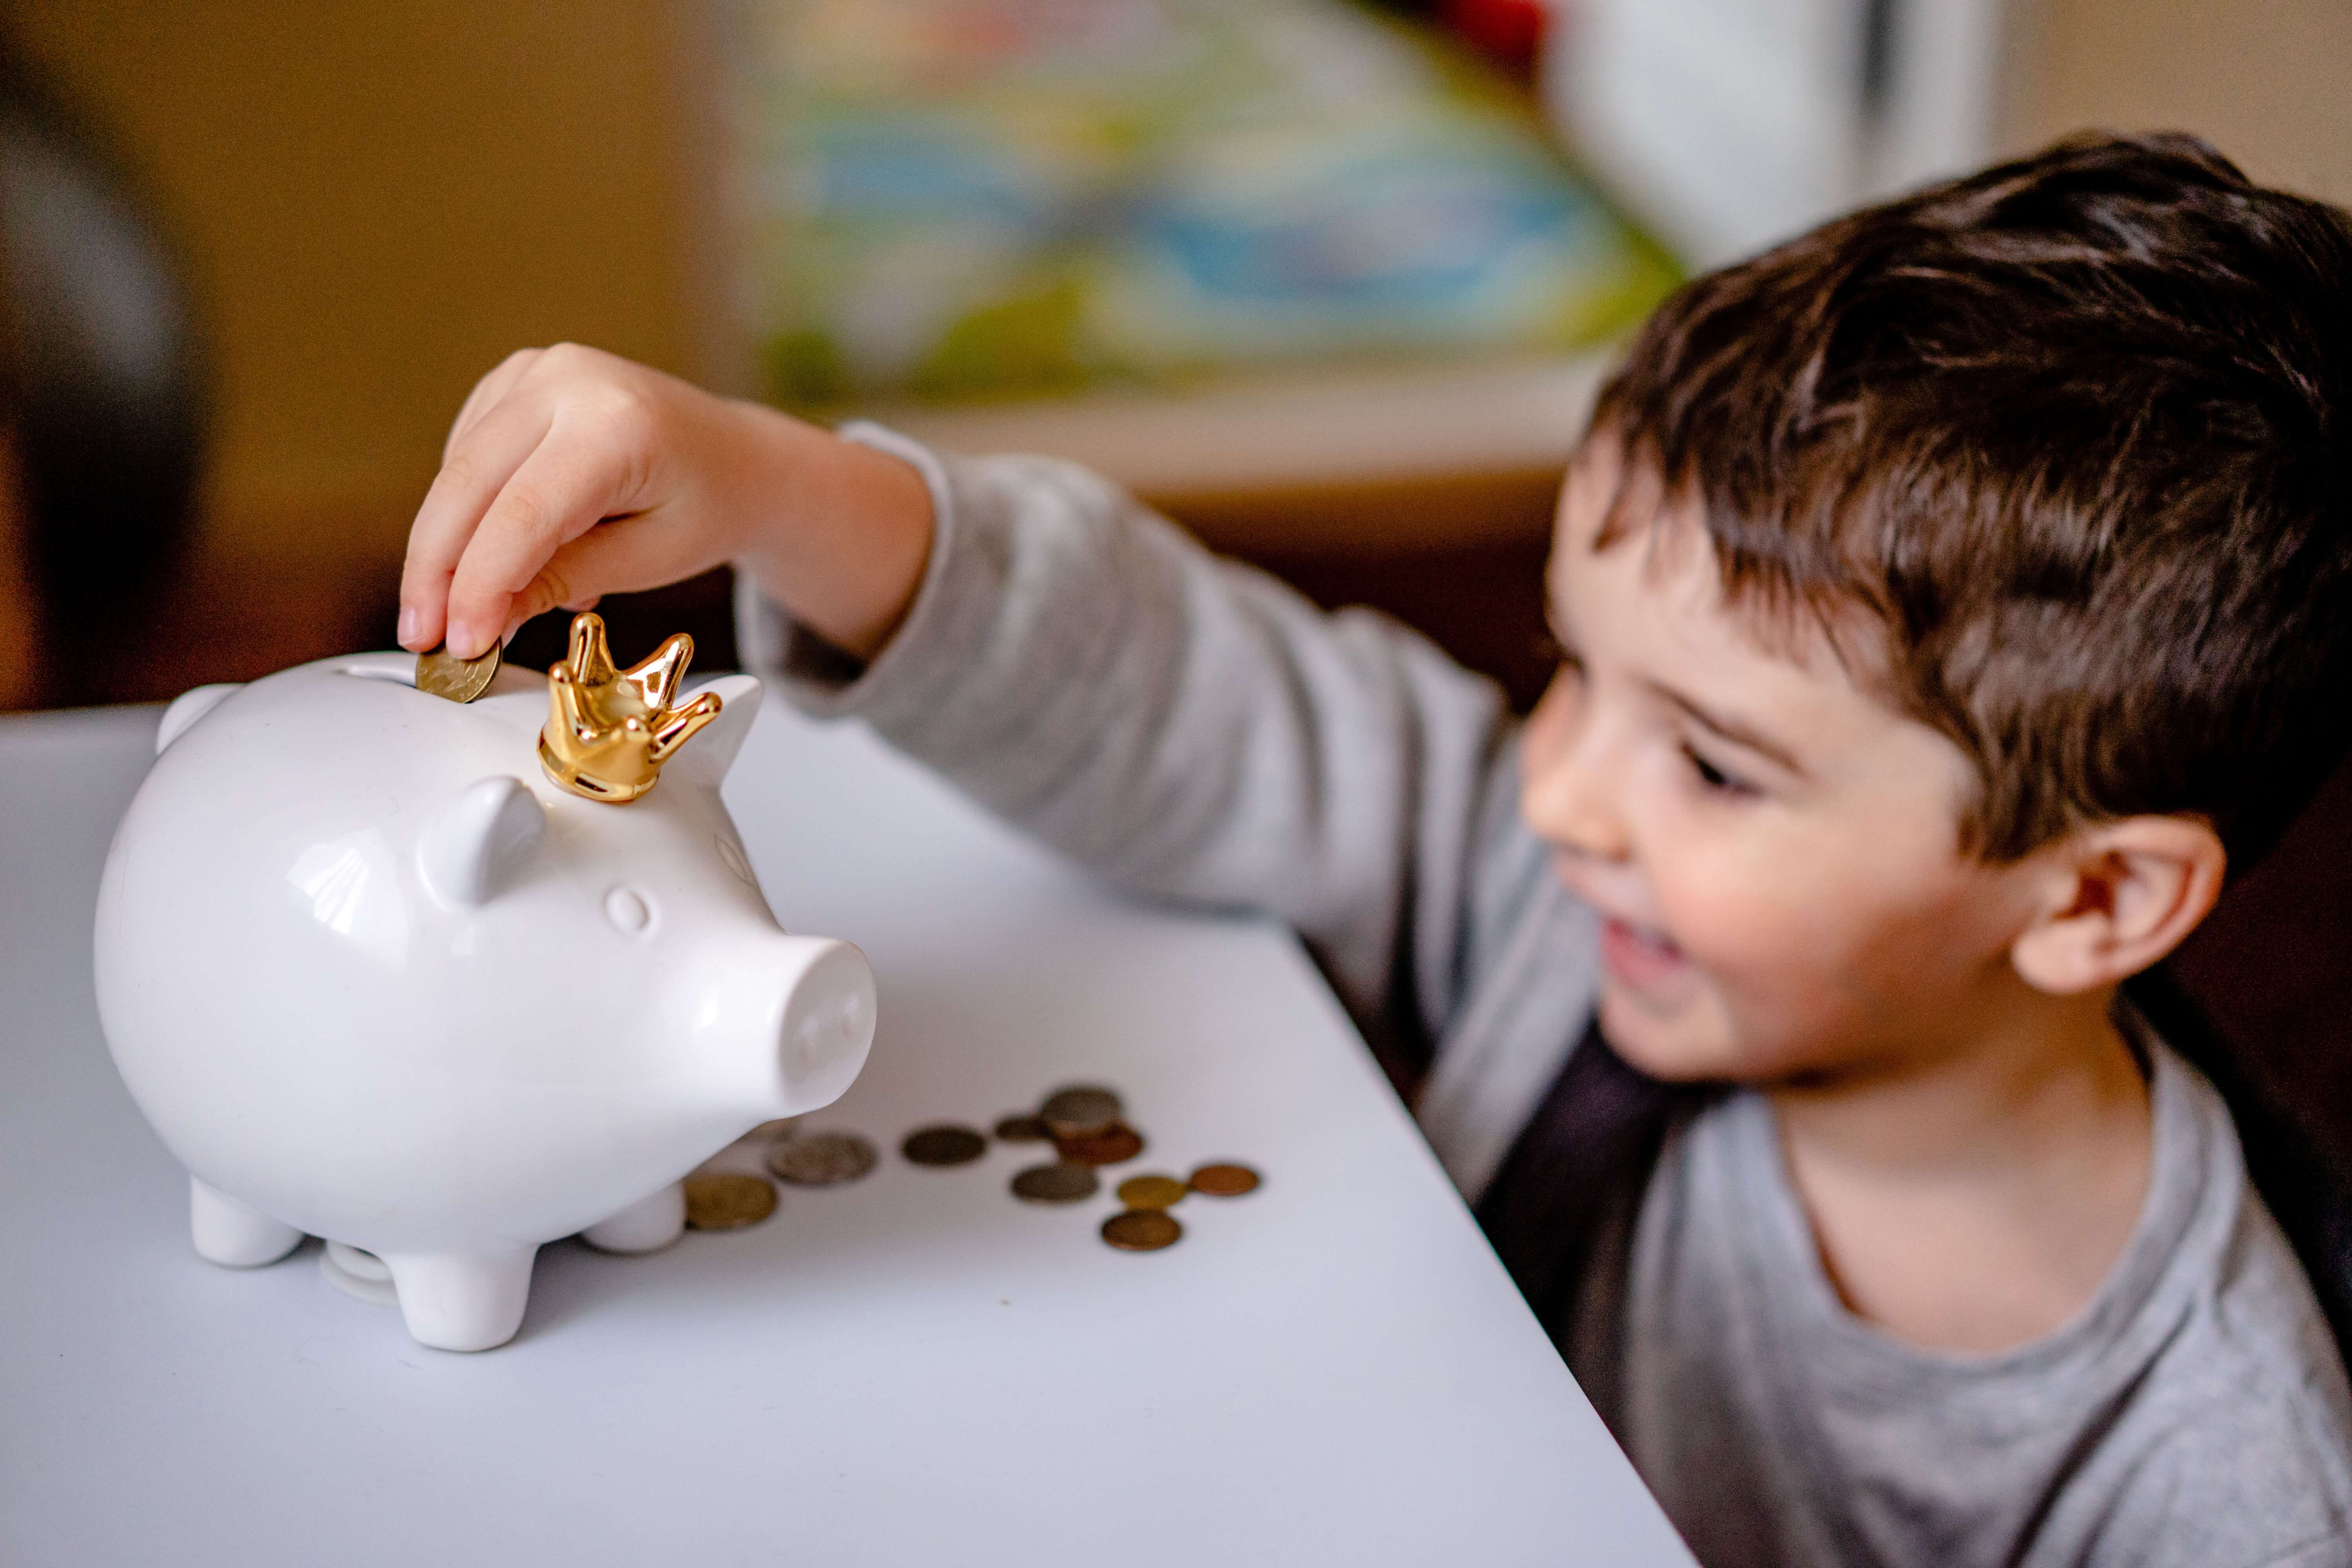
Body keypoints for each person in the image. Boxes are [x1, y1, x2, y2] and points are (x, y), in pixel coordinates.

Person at [396, 134, 2352, 1565]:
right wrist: (769, 485)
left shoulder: (2224, 1472)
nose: (1560, 791)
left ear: (2093, 897)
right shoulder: (1571, 907)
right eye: (1570, 669)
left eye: (1719, 771)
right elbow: (1190, 689)